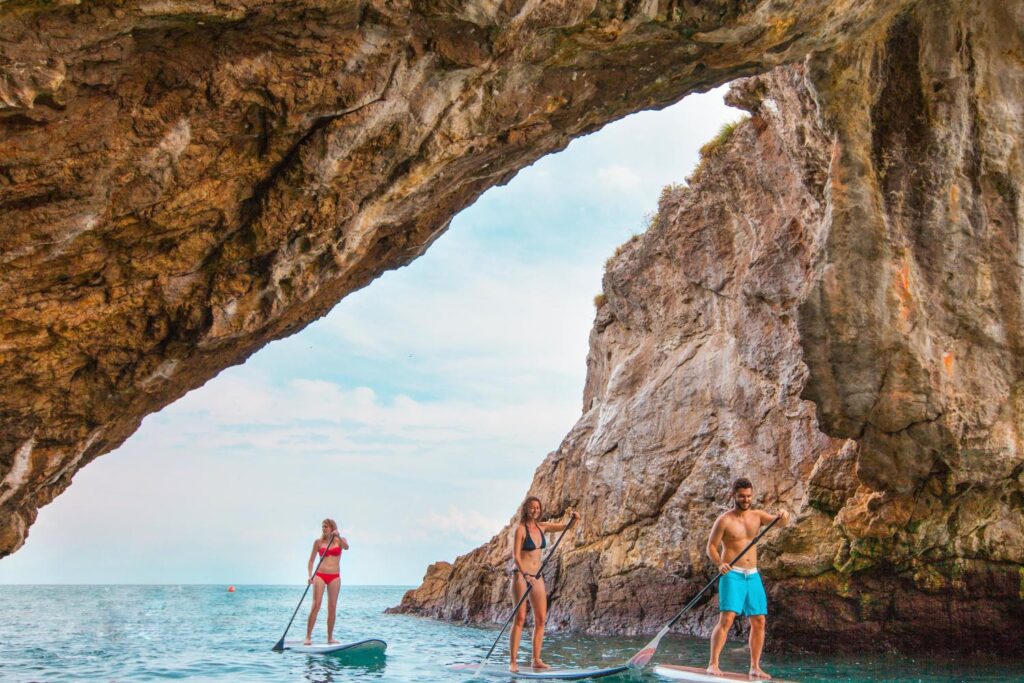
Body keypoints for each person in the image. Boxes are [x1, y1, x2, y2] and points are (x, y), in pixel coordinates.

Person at [705, 478, 789, 680]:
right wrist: (719, 564)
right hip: (731, 574)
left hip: (752, 575)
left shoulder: (757, 516)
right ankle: (713, 664)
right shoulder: (724, 520)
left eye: (749, 496)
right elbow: (711, 547)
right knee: (727, 619)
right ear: (733, 495)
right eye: (742, 496)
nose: (746, 499)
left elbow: (781, 523)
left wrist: (784, 515)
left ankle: (754, 667)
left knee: (759, 620)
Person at [509, 496, 579, 672]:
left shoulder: (543, 527)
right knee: (520, 618)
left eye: (538, 508)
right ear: (526, 509)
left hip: (537, 576)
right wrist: (525, 574)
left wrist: (575, 519)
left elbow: (567, 527)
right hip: (521, 576)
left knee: (541, 620)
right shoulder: (520, 530)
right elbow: (516, 556)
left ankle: (536, 660)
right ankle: (513, 662)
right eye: (532, 508)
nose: (535, 510)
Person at [304, 518, 349, 645]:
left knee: (332, 607)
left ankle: (330, 637)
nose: (324, 529)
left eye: (326, 527)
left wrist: (338, 536)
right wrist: (309, 575)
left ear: (332, 528)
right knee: (316, 605)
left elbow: (346, 547)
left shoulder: (340, 540)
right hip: (320, 575)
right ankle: (308, 636)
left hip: (334, 576)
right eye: (322, 527)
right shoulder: (318, 542)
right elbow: (311, 560)